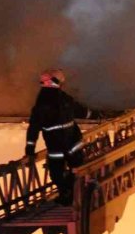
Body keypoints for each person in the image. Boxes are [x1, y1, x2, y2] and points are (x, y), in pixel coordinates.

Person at [25, 69, 94, 206]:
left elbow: (33, 129)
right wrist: (98, 115)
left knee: (57, 173)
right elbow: (82, 111)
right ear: (57, 83)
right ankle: (77, 194)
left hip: (56, 146)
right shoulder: (65, 99)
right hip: (73, 143)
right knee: (77, 169)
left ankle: (67, 194)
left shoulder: (41, 106)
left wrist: (30, 151)